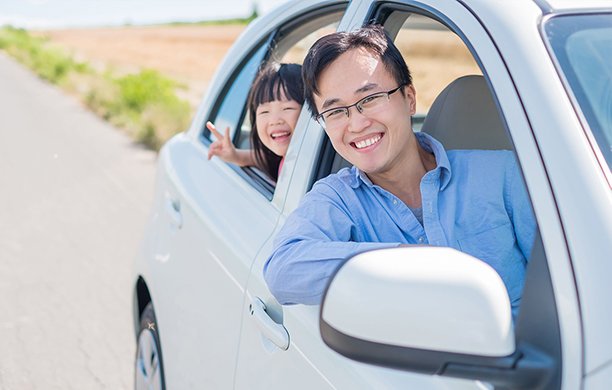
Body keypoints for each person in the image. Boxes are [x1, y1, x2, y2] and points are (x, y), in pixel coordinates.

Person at [263, 25, 536, 318]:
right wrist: (407, 261)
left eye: (369, 99)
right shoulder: (338, 199)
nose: (356, 124)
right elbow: (283, 269)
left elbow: (569, 282)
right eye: (335, 112)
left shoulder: (502, 175)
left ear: (409, 98)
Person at [207, 62, 304, 181]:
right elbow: (266, 158)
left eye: (287, 108)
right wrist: (235, 156)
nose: (274, 121)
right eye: (264, 112)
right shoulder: (287, 159)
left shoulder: (312, 165)